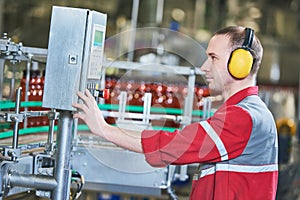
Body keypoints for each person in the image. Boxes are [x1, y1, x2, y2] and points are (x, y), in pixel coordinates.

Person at [72, 26, 278, 200]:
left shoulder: (243, 117)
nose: (204, 67)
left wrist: (105, 130)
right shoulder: (248, 111)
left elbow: (173, 145)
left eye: (213, 58)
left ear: (240, 64)